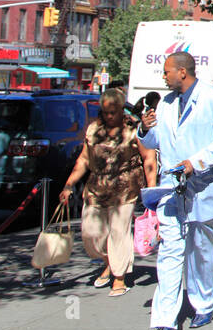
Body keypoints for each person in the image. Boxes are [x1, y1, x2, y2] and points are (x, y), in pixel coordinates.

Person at [138, 52, 213, 330]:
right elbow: (156, 142)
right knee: (169, 254)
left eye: (167, 71)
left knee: (201, 251)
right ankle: (164, 322)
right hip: (171, 190)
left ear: (182, 72)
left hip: (203, 187)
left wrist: (196, 161)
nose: (163, 77)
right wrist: (145, 129)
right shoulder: (166, 104)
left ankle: (205, 304)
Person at [59, 88, 155, 296]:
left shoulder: (133, 128)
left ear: (121, 109)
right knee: (91, 234)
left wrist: (152, 191)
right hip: (96, 187)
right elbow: (84, 159)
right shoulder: (94, 129)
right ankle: (110, 262)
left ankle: (119, 277)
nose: (109, 116)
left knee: (119, 232)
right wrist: (69, 184)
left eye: (113, 112)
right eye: (105, 111)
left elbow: (149, 159)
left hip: (125, 186)